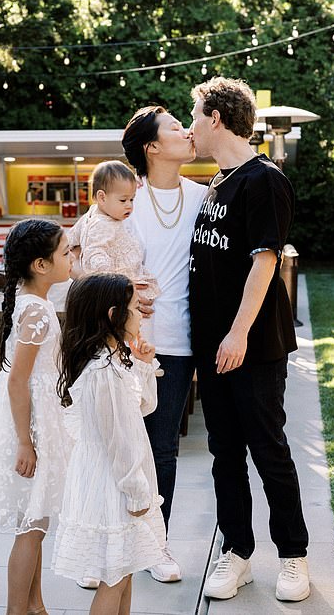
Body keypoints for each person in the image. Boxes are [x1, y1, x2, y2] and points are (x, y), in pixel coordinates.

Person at [188, 76, 310, 602]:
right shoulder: (218, 179)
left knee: (268, 450)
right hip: (213, 347)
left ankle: (294, 557)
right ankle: (237, 552)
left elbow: (266, 262)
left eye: (194, 116)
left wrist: (237, 333)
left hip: (252, 347)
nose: (190, 127)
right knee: (224, 453)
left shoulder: (264, 179)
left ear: (216, 117)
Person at [0, 219, 73, 615]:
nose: (72, 257)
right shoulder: (37, 311)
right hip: (33, 421)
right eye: (65, 252)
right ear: (41, 265)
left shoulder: (30, 301)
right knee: (33, 526)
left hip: (35, 414)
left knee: (34, 521)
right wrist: (27, 441)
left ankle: (35, 604)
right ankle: (16, 610)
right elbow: (18, 380)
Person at [120, 105, 206, 582]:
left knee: (162, 447)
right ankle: (111, 543)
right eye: (175, 127)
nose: (186, 131)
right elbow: (95, 257)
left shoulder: (206, 196)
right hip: (126, 343)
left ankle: (157, 545)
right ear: (152, 147)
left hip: (179, 342)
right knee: (116, 444)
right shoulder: (125, 199)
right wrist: (126, 292)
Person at [52, 273, 166, 615]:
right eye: (135, 307)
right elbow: (119, 440)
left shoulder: (115, 361)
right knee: (114, 577)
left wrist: (144, 366)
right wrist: (136, 490)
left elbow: (143, 408)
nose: (142, 313)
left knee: (126, 571)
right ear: (114, 315)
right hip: (114, 484)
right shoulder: (104, 371)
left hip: (118, 477)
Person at [68, 160, 160, 340]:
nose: (129, 206)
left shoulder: (92, 214)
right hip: (119, 289)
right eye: (123, 200)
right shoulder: (102, 225)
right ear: (102, 197)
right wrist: (118, 284)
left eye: (132, 199)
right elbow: (95, 257)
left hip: (124, 285)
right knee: (133, 333)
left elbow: (71, 239)